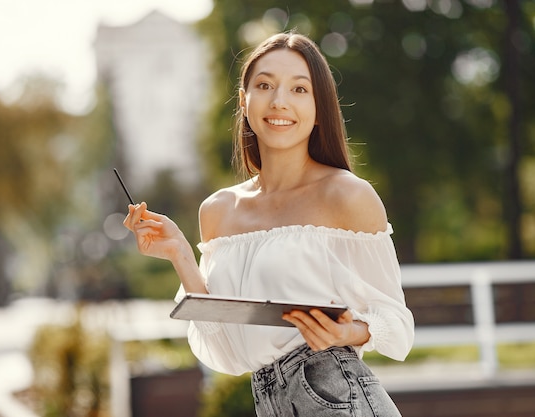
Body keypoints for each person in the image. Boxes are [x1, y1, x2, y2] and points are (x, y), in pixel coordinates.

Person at [123, 31, 414, 417]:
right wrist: (180, 256)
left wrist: (348, 332)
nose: (279, 101)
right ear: (244, 101)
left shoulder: (346, 195)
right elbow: (225, 346)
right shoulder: (218, 210)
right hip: (268, 403)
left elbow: (397, 324)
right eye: (264, 85)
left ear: (318, 107)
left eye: (299, 89)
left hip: (338, 396)